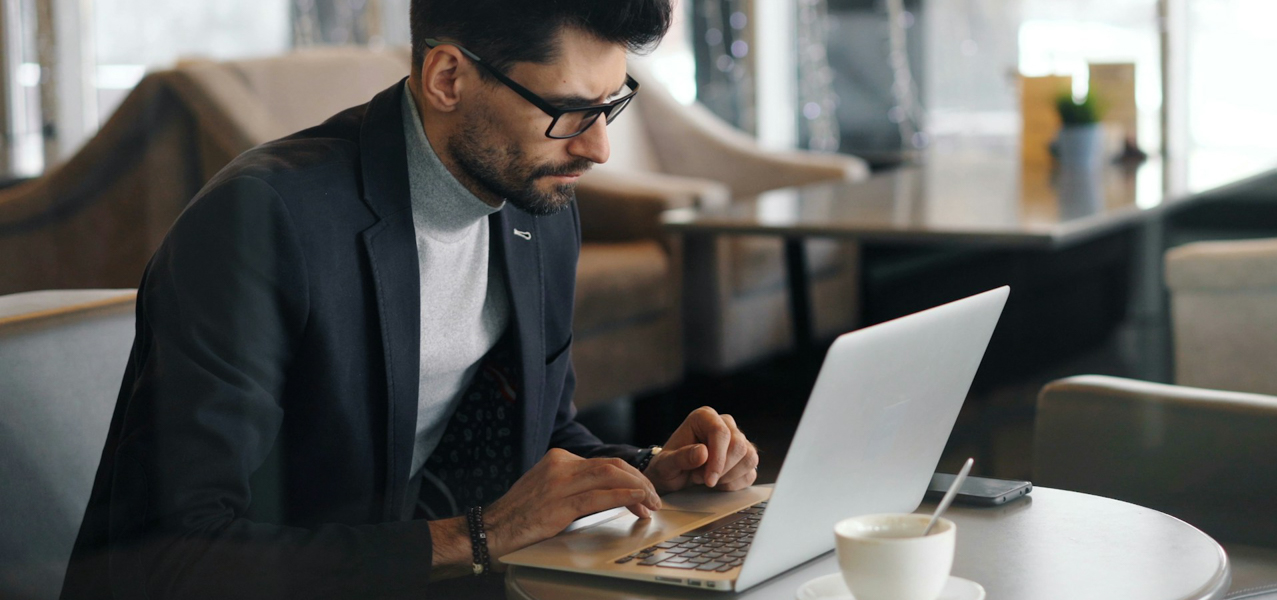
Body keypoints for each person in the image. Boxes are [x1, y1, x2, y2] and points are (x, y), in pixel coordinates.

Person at [60, 1, 759, 598]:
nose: (600, 148)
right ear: (447, 77)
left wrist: (648, 469)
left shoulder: (534, 206)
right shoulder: (265, 225)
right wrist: (480, 537)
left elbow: (539, 436)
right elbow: (169, 558)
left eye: (610, 105)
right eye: (571, 111)